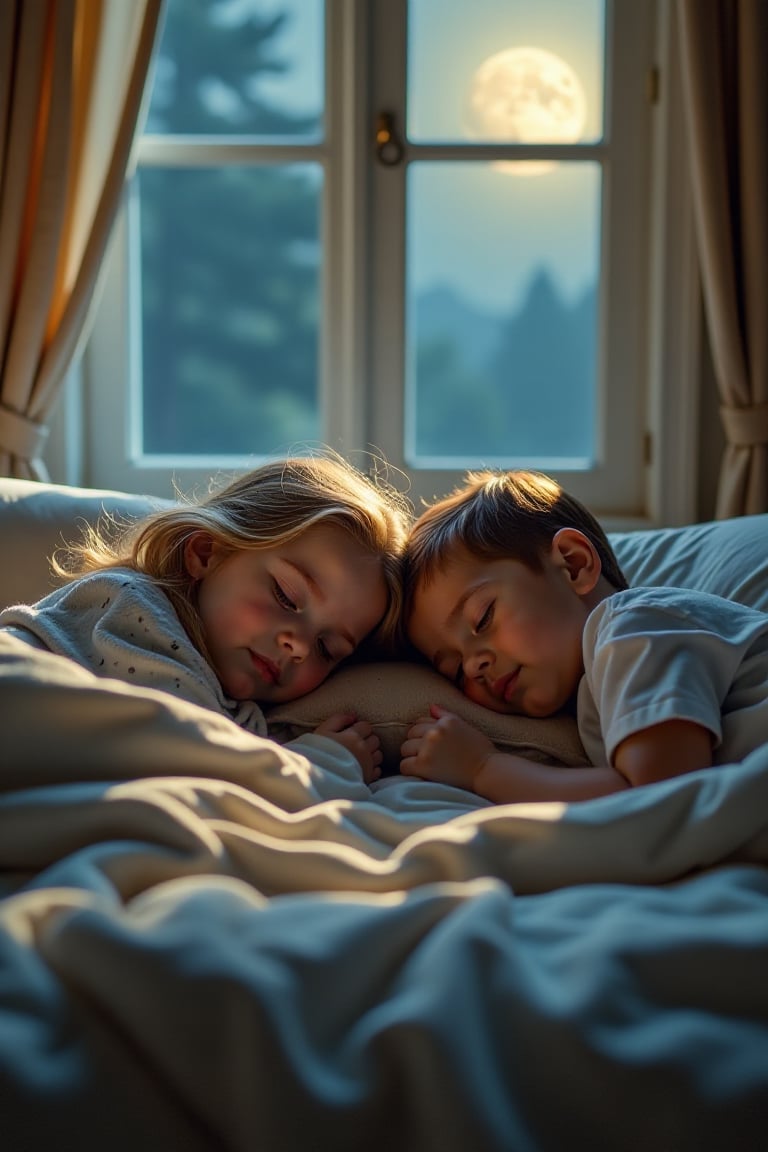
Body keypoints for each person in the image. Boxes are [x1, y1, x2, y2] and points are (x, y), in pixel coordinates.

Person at [0, 453, 410, 785]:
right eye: (286, 597)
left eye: (327, 647)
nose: (300, 646)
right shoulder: (130, 606)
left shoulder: (230, 697)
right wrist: (322, 764)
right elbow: (194, 763)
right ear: (205, 552)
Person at [399, 468, 768, 803]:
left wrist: (482, 769)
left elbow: (663, 802)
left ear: (573, 565)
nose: (474, 664)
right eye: (456, 671)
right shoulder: (592, 683)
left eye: (483, 618)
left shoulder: (635, 627)